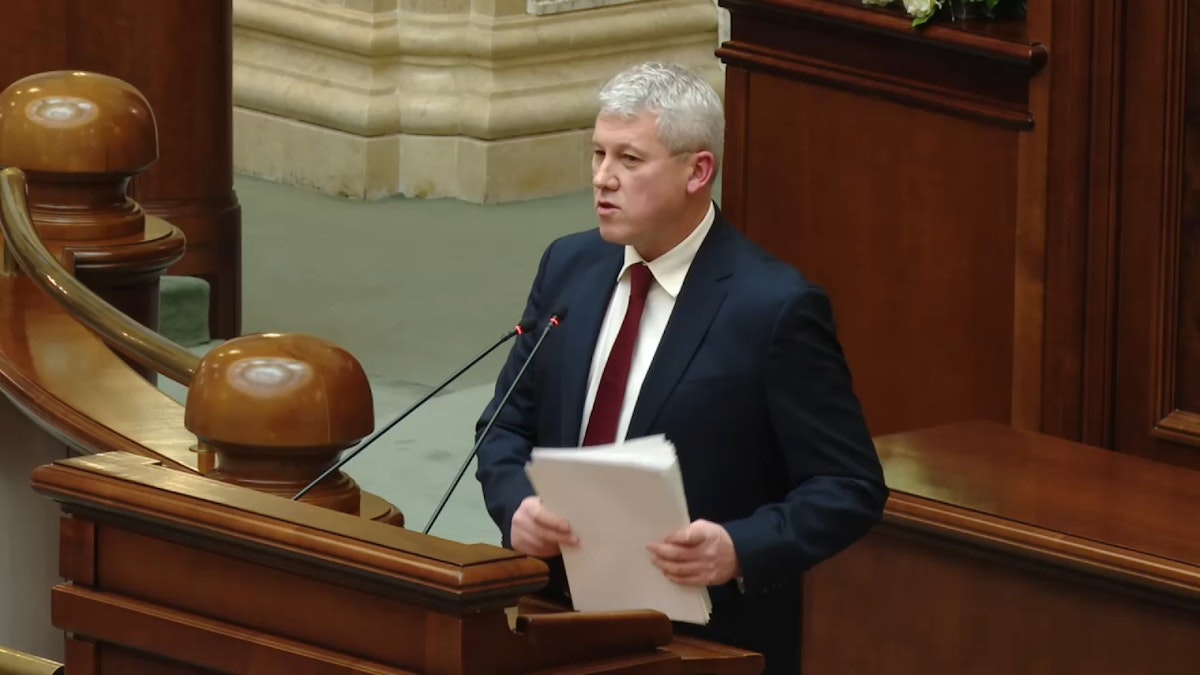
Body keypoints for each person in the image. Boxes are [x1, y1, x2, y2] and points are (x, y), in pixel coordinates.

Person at [474, 61, 887, 673]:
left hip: (699, 642)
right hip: (551, 618)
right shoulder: (569, 266)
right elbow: (504, 425)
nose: (603, 178)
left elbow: (849, 486)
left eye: (630, 160)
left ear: (698, 171)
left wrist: (739, 548)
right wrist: (517, 507)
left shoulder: (773, 308)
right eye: (598, 154)